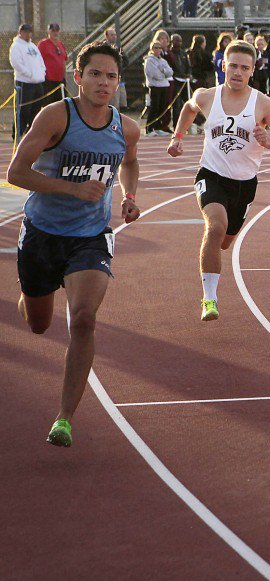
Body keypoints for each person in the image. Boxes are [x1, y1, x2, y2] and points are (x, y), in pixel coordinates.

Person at [7, 42, 141, 447]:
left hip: (91, 237)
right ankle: (32, 295)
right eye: (96, 74)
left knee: (83, 319)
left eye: (112, 76)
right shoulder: (55, 116)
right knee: (38, 323)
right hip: (43, 232)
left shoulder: (125, 127)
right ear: (77, 76)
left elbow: (130, 161)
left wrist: (129, 197)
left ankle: (64, 418)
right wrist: (71, 188)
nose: (104, 82)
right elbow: (16, 171)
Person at [166, 40, 270, 322]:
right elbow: (188, 108)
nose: (237, 72)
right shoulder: (207, 96)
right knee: (215, 226)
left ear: (252, 70)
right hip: (211, 175)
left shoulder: (263, 103)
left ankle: (215, 258)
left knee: (225, 241)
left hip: (244, 184)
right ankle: (209, 299)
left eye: (244, 67)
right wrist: (177, 137)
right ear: (223, 66)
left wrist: (268, 142)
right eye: (232, 65)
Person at [9, 23, 47, 143]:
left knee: (36, 110)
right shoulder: (16, 46)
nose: (28, 34)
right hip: (24, 83)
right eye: (25, 31)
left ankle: (31, 133)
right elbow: (16, 63)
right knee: (23, 111)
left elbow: (40, 61)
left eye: (30, 31)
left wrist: (42, 73)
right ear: (20, 32)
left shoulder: (32, 46)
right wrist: (29, 74)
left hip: (37, 82)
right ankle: (17, 135)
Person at [144, 40, 173, 136]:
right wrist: (163, 74)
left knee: (162, 107)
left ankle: (158, 127)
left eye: (159, 47)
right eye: (155, 47)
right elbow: (153, 74)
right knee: (154, 107)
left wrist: (163, 71)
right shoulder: (149, 60)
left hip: (164, 85)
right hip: (155, 86)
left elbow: (170, 72)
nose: (158, 50)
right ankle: (149, 128)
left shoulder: (163, 60)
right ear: (151, 49)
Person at [37, 23, 68, 107]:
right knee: (48, 105)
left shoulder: (60, 44)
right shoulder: (43, 44)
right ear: (48, 31)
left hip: (60, 80)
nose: (55, 33)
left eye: (57, 30)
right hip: (48, 81)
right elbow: (38, 60)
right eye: (53, 30)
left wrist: (64, 77)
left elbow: (64, 61)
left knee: (62, 105)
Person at [168, 34, 192, 129]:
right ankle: (176, 126)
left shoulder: (183, 53)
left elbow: (188, 66)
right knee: (177, 105)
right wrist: (179, 75)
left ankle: (189, 124)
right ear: (172, 41)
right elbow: (170, 67)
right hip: (175, 81)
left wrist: (188, 74)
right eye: (177, 41)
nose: (179, 43)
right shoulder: (169, 54)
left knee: (189, 102)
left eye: (180, 41)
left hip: (185, 81)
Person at [103, 27, 129, 110]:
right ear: (107, 36)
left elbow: (126, 62)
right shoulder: (104, 49)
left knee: (123, 103)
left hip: (120, 79)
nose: (114, 37)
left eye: (115, 35)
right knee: (114, 104)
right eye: (111, 35)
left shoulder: (118, 48)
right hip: (111, 79)